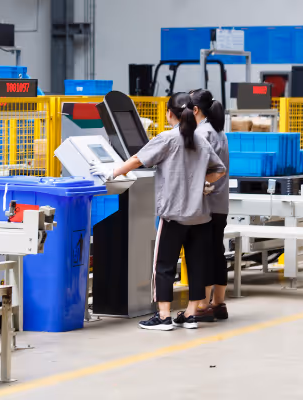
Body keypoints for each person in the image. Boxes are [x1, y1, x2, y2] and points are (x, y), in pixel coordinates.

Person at [92, 93, 226, 331]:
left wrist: (112, 172)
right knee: (196, 264)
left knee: (163, 264)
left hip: (173, 215)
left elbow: (136, 159)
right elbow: (219, 170)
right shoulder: (201, 140)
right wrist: (202, 184)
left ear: (169, 113)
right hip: (200, 216)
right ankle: (192, 314)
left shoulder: (167, 138)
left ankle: (164, 316)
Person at [189, 89, 230, 322]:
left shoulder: (202, 132)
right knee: (217, 252)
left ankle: (203, 305)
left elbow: (199, 167)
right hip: (220, 202)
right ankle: (218, 303)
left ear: (195, 110)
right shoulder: (219, 132)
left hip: (207, 202)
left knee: (203, 253)